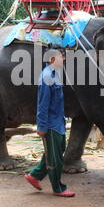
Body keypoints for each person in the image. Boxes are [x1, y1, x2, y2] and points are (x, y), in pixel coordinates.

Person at [24, 45, 75, 197]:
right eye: (61, 56)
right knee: (55, 159)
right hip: (51, 125)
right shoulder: (47, 76)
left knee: (55, 152)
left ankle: (35, 175)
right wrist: (42, 126)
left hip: (58, 122)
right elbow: (43, 104)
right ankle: (58, 188)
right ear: (52, 58)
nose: (64, 59)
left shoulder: (54, 74)